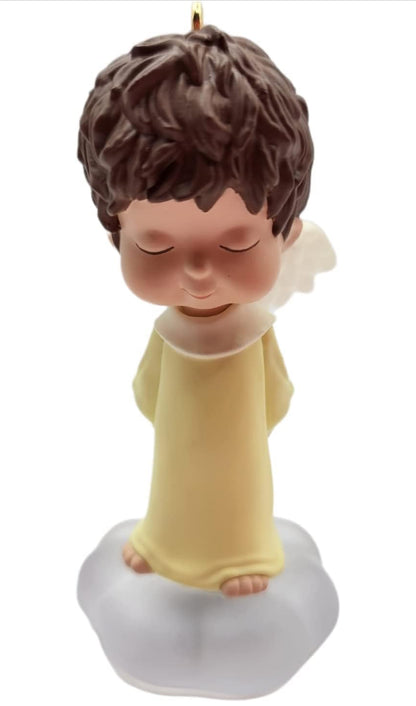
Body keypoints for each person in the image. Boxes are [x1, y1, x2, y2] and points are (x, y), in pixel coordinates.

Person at [77, 25, 314, 597]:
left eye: (237, 243)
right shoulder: (170, 331)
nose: (199, 271)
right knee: (171, 488)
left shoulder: (253, 333)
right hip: (179, 446)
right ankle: (160, 543)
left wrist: (236, 427)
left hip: (236, 453)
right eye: (156, 247)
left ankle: (243, 553)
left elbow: (275, 397)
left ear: (285, 234)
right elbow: (148, 390)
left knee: (236, 494)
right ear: (117, 238)